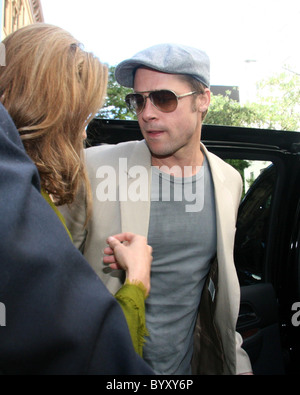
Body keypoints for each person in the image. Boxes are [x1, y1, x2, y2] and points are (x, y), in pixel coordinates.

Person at [61, 43, 253, 375]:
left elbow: (212, 293)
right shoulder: (94, 168)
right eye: (139, 100)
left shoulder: (228, 181)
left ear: (202, 100)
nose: (147, 113)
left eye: (164, 98)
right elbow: (53, 275)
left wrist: (239, 363)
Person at [0, 23, 152, 358]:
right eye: (79, 122)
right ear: (46, 111)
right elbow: (89, 356)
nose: (82, 137)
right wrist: (137, 282)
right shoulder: (21, 210)